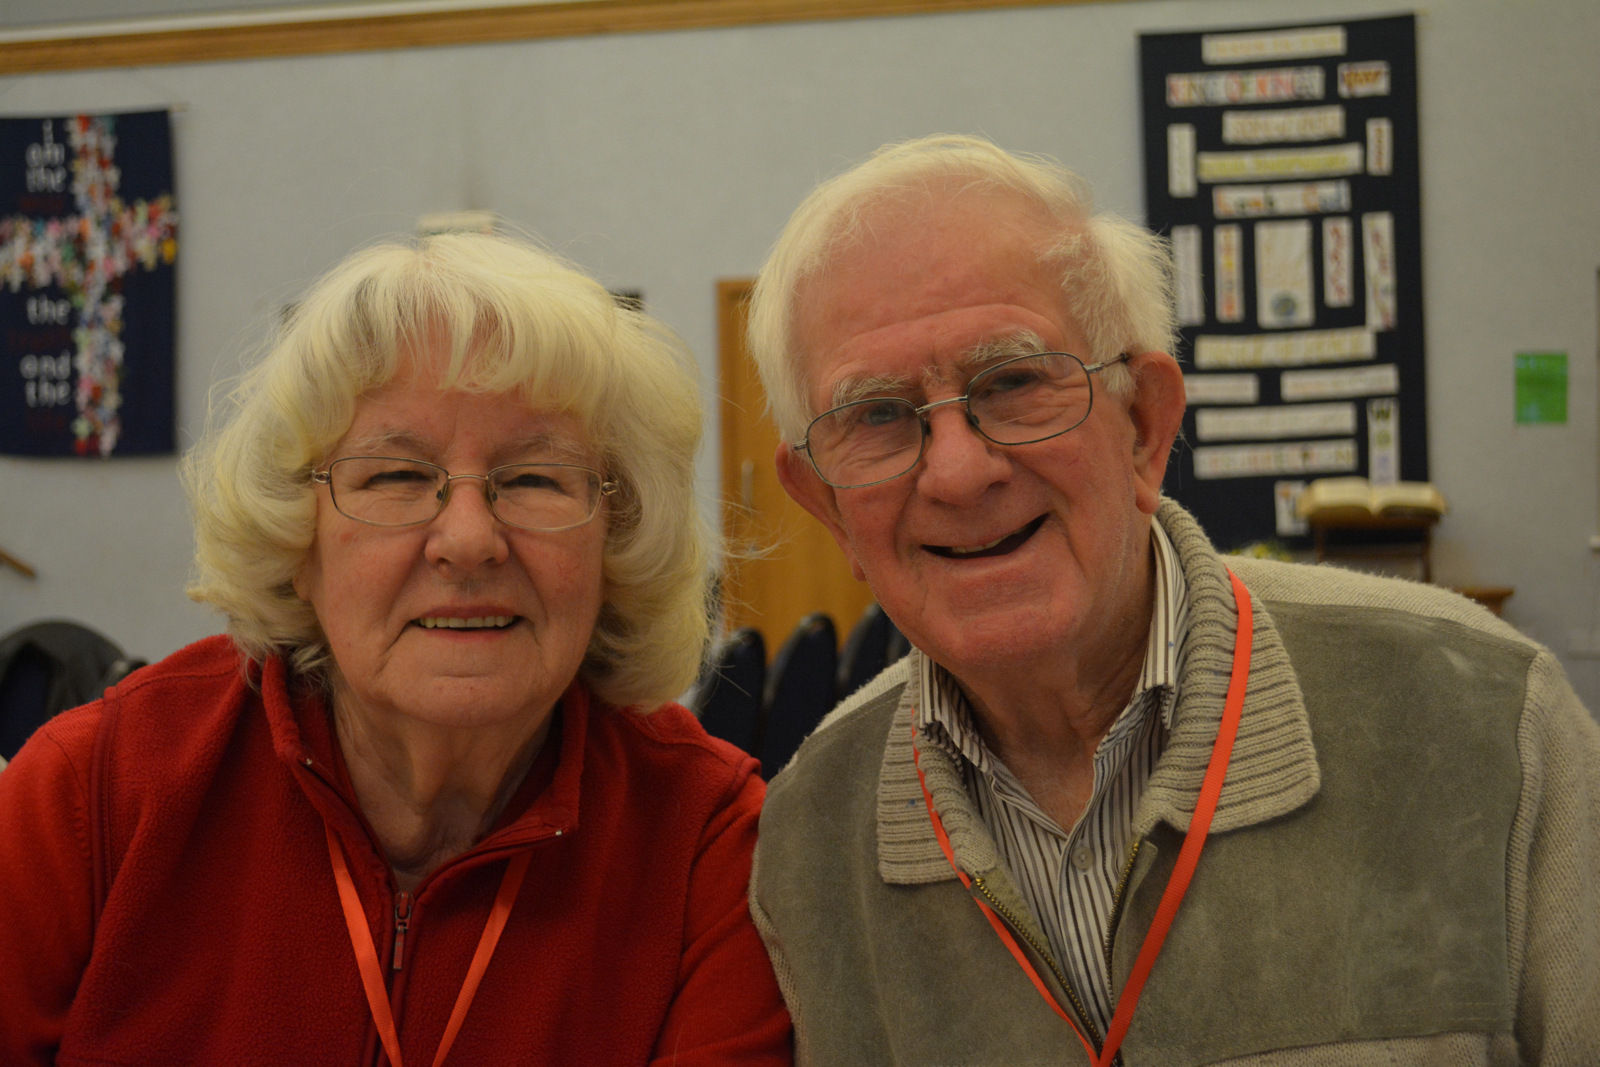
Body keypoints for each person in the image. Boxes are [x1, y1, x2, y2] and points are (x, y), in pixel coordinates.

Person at [744, 134, 1600, 1065]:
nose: (955, 471)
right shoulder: (808, 842)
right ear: (826, 502)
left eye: (1014, 381)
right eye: (875, 415)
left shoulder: (1482, 720)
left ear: (1146, 426)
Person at [0, 231, 792, 1065]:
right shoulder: (98, 795)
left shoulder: (707, 848)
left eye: (533, 479)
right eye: (395, 477)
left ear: (615, 543)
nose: (468, 539)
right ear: (297, 542)